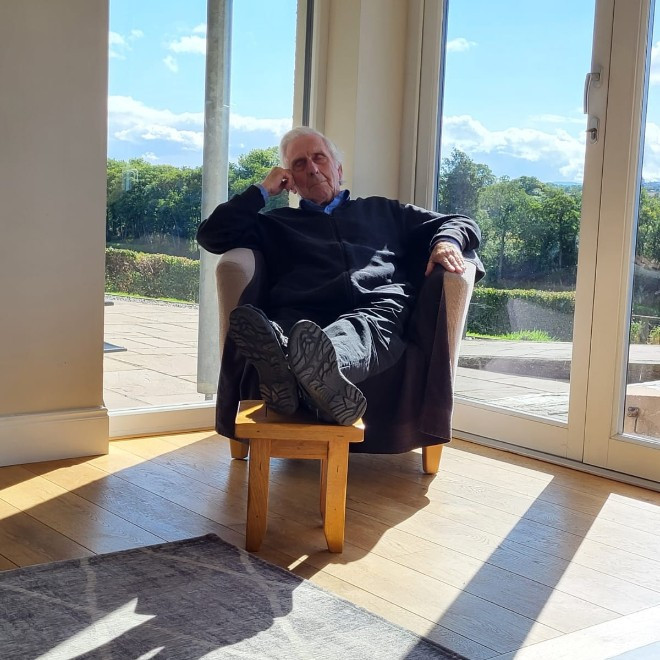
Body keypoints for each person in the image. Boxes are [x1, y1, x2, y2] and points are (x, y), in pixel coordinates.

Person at [197, 127, 482, 426]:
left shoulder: (383, 211)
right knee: (290, 331)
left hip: (375, 308)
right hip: (302, 312)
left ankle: (290, 371)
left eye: (319, 157)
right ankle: (300, 368)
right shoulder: (274, 223)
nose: (312, 168)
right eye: (299, 164)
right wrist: (262, 190)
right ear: (289, 181)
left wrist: (447, 241)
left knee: (357, 328)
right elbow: (211, 235)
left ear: (339, 169)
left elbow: (460, 221)